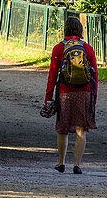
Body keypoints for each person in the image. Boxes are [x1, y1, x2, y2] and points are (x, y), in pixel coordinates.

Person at [42, 16, 98, 174]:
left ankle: (61, 163)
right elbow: (94, 74)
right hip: (84, 92)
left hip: (65, 92)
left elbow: (52, 75)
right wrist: (94, 97)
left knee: (63, 129)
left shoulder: (59, 48)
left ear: (65, 29)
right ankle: (77, 165)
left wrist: (48, 98)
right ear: (80, 30)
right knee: (81, 129)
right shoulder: (87, 48)